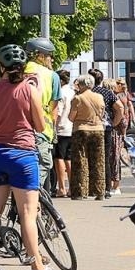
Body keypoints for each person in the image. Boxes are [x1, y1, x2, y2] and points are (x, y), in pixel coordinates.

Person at [0, 44, 61, 270]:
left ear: (0, 66)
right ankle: (37, 268)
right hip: (22, 155)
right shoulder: (28, 90)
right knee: (28, 213)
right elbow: (41, 126)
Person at [22, 37, 61, 192]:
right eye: (49, 55)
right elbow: (54, 109)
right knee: (44, 164)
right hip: (40, 130)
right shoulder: (52, 76)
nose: (51, 59)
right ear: (40, 55)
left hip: (16, 128)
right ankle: (30, 196)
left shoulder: (17, 71)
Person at [67, 75, 107, 199]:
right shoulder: (99, 97)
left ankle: (80, 192)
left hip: (81, 129)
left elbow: (71, 117)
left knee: (80, 161)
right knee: (99, 161)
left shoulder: (78, 98)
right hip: (98, 129)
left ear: (82, 85)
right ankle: (99, 191)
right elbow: (102, 112)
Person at [53, 69, 74, 199]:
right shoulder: (73, 92)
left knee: (59, 158)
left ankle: (62, 188)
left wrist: (53, 126)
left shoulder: (60, 93)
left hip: (61, 129)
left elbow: (58, 112)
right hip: (71, 128)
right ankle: (71, 187)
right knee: (68, 159)